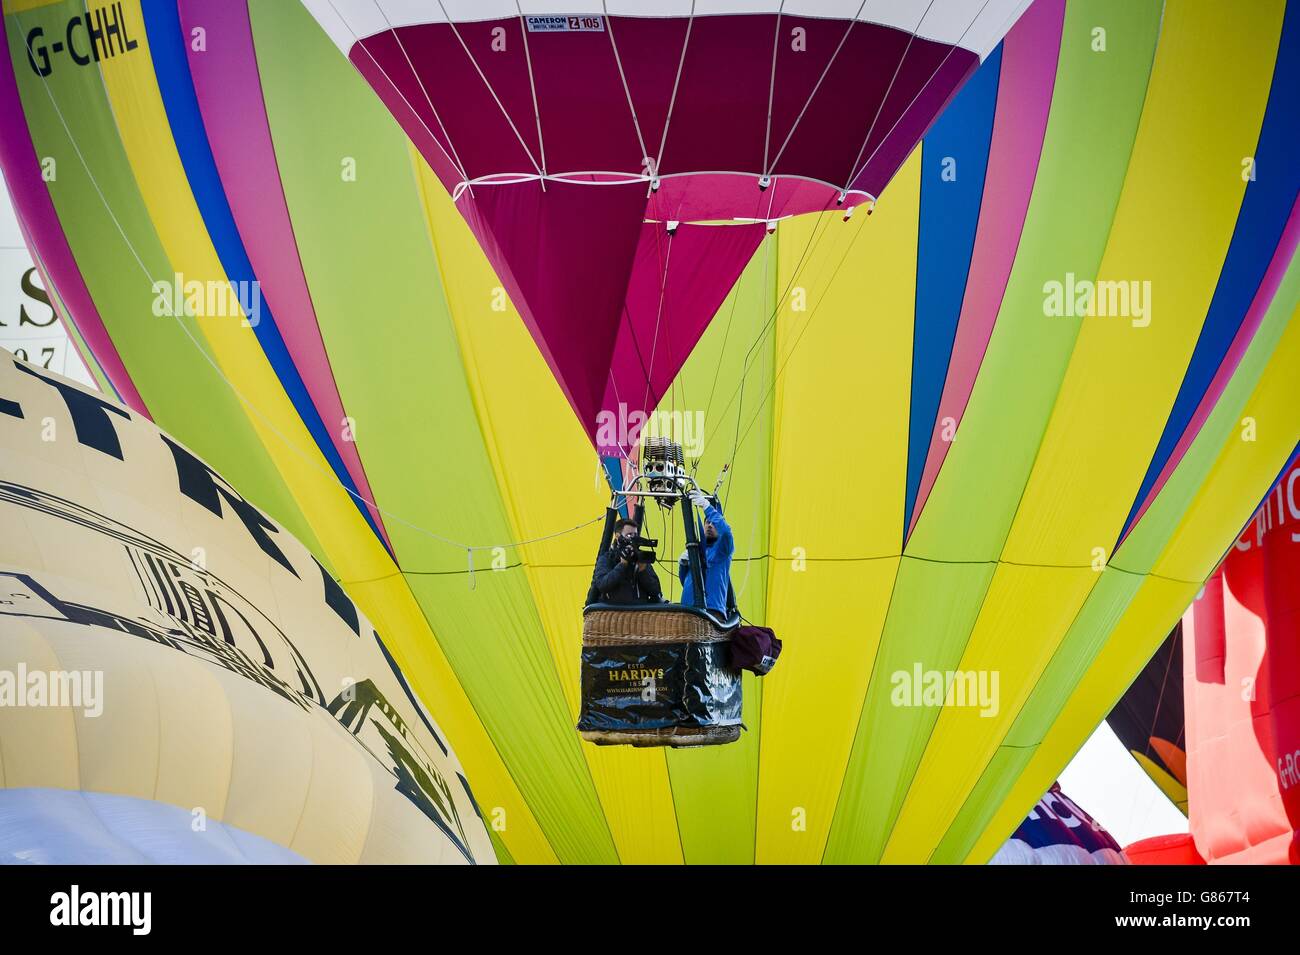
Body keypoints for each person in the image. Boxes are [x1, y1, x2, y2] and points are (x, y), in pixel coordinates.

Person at [678, 490, 734, 614]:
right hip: (688, 609)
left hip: (711, 610)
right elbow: (686, 581)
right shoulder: (696, 550)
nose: (710, 525)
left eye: (714, 524)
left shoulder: (723, 550)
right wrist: (683, 565)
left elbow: (726, 532)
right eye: (707, 522)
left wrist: (707, 506)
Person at [586, 517, 663, 606]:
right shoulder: (607, 558)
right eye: (629, 535)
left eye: (635, 535)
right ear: (618, 536)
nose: (633, 539)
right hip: (613, 612)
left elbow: (656, 591)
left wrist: (642, 571)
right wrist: (622, 565)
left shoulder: (641, 559)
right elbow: (602, 585)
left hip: (639, 612)